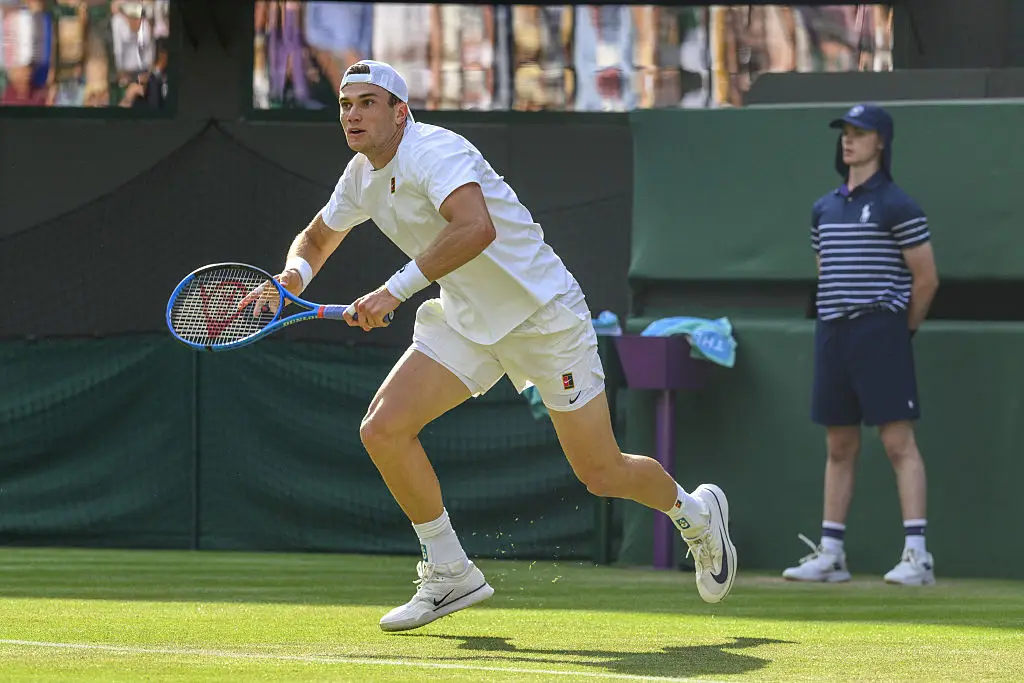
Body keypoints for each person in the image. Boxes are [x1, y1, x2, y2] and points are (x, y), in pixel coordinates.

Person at [269, 60, 737, 632]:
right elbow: (317, 238)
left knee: (600, 471)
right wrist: (287, 281)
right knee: (383, 428)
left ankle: (693, 513)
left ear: (400, 112)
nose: (352, 114)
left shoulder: (435, 153)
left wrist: (392, 292)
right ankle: (449, 571)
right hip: (468, 320)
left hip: (544, 318)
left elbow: (476, 228)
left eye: (368, 102)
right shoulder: (361, 175)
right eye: (345, 104)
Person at [784, 104, 939, 586]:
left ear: (881, 142)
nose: (849, 140)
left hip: (882, 331)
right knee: (839, 443)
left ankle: (917, 556)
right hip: (834, 333)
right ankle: (831, 554)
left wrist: (899, 330)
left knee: (897, 441)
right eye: (845, 133)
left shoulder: (899, 205)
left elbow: (926, 280)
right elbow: (824, 271)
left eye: (860, 133)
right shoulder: (823, 208)